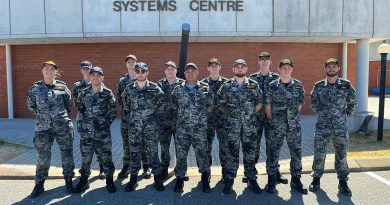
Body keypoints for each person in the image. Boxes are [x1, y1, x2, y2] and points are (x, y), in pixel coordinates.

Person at [27, 60, 75, 198]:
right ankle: (39, 184)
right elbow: (31, 106)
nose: (49, 71)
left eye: (52, 69)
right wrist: (44, 117)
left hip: (62, 126)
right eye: (46, 69)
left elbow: (68, 104)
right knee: (43, 156)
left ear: (56, 71)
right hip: (43, 128)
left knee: (67, 154)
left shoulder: (62, 87)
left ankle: (68, 180)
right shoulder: (34, 88)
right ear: (42, 71)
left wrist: (58, 117)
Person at [309, 58, 357, 196]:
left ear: (338, 68)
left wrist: (345, 115)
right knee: (319, 153)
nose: (331, 69)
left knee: (341, 154)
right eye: (329, 67)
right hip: (322, 126)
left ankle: (343, 182)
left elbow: (353, 102)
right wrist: (323, 113)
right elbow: (314, 104)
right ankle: (316, 179)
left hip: (340, 127)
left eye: (334, 67)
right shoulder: (318, 86)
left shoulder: (346, 85)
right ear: (325, 69)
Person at [217, 59, 262, 194]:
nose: (240, 69)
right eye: (237, 67)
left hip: (249, 127)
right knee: (231, 154)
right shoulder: (226, 86)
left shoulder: (253, 85)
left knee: (250, 154)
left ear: (246, 69)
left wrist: (248, 114)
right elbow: (220, 103)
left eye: (243, 67)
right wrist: (232, 116)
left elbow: (259, 103)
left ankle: (251, 178)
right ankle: (229, 179)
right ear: (233, 69)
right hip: (232, 128)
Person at [265, 59, 307, 194]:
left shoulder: (299, 85)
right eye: (284, 67)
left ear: (292, 69)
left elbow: (300, 104)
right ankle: (271, 180)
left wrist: (292, 117)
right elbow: (267, 106)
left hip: (294, 126)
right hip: (276, 125)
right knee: (273, 153)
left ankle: (296, 180)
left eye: (289, 67)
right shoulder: (272, 85)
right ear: (279, 69)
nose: (286, 69)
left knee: (296, 153)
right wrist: (272, 120)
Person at [122, 62, 165, 192]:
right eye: (138, 71)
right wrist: (132, 121)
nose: (140, 74)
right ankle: (133, 179)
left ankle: (157, 179)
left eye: (143, 71)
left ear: (147, 73)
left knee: (153, 153)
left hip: (150, 128)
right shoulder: (129, 89)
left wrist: (154, 121)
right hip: (134, 128)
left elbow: (161, 106)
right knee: (134, 153)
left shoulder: (155, 88)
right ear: (135, 73)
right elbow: (125, 108)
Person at [73, 67, 117, 193]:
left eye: (99, 75)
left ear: (102, 77)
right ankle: (84, 180)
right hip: (86, 133)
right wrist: (81, 127)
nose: (96, 77)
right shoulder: (83, 93)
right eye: (93, 75)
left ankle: (109, 181)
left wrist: (103, 125)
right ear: (90, 77)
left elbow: (112, 112)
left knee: (106, 157)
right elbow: (80, 111)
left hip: (102, 134)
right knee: (86, 158)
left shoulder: (108, 93)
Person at [171, 63, 212, 193]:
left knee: (202, 154)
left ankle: (205, 178)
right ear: (184, 74)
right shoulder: (177, 89)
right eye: (187, 71)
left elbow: (211, 105)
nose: (190, 73)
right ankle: (180, 179)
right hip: (182, 129)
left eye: (192, 71)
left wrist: (202, 118)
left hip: (199, 129)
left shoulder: (205, 88)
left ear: (197, 72)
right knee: (181, 155)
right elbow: (173, 106)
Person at [249, 52, 288, 184]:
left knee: (273, 147)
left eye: (267, 59)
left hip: (273, 119)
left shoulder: (277, 78)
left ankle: (275, 172)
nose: (264, 62)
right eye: (262, 60)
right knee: (254, 146)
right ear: (258, 62)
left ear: (270, 62)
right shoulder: (252, 79)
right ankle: (251, 172)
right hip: (256, 119)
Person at [117, 54, 151, 179]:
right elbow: (121, 99)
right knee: (127, 144)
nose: (131, 64)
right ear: (126, 64)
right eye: (128, 62)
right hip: (127, 120)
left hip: (143, 120)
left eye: (133, 62)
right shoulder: (122, 81)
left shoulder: (143, 78)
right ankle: (126, 166)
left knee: (143, 143)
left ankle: (146, 167)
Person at [72, 60, 105, 180]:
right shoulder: (77, 86)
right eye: (84, 68)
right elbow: (76, 102)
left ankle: (102, 168)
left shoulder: (99, 83)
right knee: (85, 147)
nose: (86, 70)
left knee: (100, 147)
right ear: (81, 70)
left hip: (98, 123)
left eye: (88, 68)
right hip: (84, 121)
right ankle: (86, 169)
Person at [200, 58, 228, 180]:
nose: (214, 67)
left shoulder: (227, 83)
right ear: (208, 68)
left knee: (224, 147)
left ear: (220, 67)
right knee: (206, 147)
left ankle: (225, 173)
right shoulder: (202, 84)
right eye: (212, 65)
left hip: (223, 121)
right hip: (208, 121)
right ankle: (206, 172)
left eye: (216, 65)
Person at [156, 61, 184, 180]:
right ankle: (164, 167)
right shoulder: (158, 84)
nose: (170, 70)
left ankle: (181, 169)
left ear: (176, 70)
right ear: (165, 71)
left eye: (172, 68)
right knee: (164, 147)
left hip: (179, 122)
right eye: (168, 68)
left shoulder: (182, 84)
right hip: (163, 122)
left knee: (181, 147)